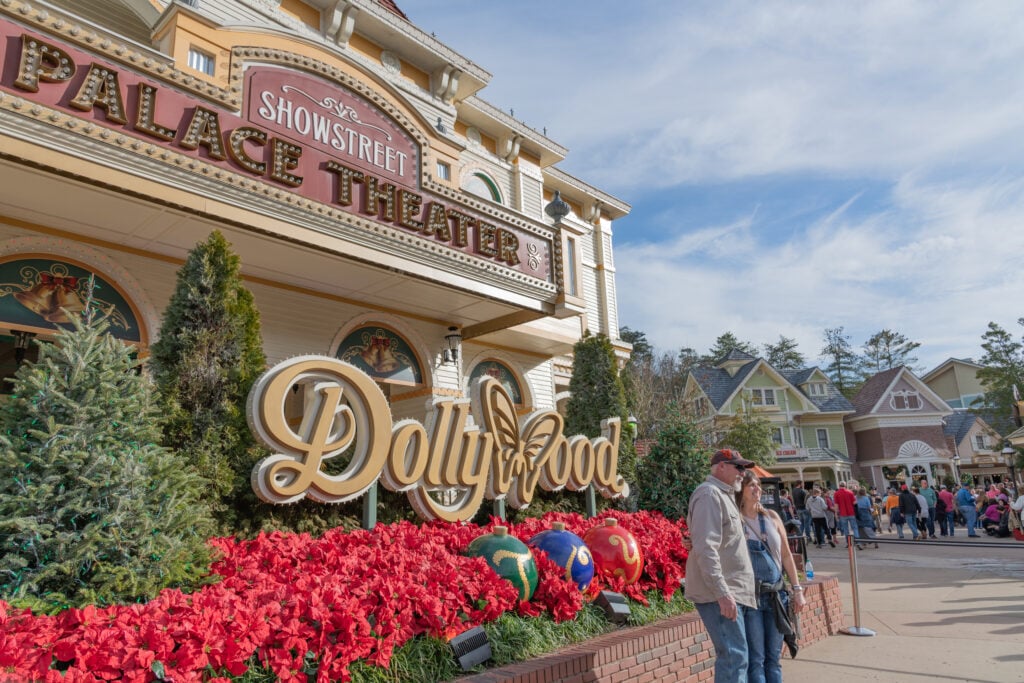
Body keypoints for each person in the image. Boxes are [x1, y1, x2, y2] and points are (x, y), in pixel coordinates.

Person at [687, 449, 757, 682]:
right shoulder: (709, 495)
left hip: (731, 593)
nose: (742, 473)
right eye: (738, 467)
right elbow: (706, 549)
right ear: (721, 467)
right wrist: (722, 593)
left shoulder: (723, 495)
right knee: (733, 658)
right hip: (721, 595)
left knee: (737, 658)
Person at [736, 470, 807, 683]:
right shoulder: (736, 521)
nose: (757, 489)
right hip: (752, 598)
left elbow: (785, 555)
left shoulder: (772, 517)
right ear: (741, 490)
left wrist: (797, 590)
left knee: (773, 657)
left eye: (758, 485)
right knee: (756, 658)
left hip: (776, 596)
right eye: (751, 485)